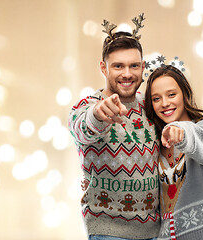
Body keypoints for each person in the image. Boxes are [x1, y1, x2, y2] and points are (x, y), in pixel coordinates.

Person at [68, 13, 160, 240]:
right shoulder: (87, 106)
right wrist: (98, 116)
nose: (127, 74)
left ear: (143, 67)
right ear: (103, 67)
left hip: (156, 232)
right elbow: (82, 128)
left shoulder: (152, 106)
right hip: (108, 233)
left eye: (134, 66)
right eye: (118, 66)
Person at [144, 63, 203, 240]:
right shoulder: (158, 145)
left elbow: (194, 138)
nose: (165, 103)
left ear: (185, 94)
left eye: (171, 94)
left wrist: (180, 131)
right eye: (156, 99)